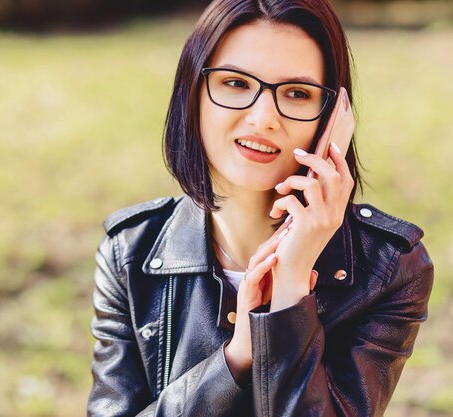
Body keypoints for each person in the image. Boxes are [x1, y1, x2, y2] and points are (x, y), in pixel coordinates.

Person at [88, 0, 434, 415]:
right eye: (236, 83)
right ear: (192, 92)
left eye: (297, 93)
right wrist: (236, 358)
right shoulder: (131, 252)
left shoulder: (389, 267)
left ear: (332, 119)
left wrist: (289, 295)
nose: (263, 118)